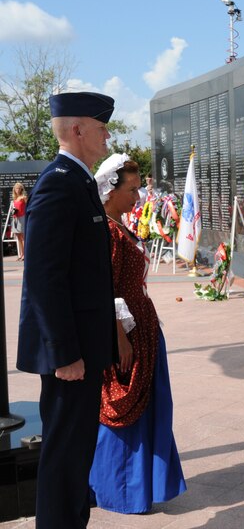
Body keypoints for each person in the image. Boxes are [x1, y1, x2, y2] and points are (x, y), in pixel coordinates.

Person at [16, 91, 118, 528]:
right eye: (101, 127)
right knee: (63, 461)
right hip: (69, 354)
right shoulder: (59, 181)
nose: (107, 135)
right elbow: (44, 276)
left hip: (81, 349)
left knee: (76, 459)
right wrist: (64, 353)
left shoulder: (77, 180)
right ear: (77, 130)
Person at [90, 154, 186, 513]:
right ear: (110, 191)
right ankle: (123, 491)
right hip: (127, 333)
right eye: (131, 190)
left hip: (142, 327)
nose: (137, 197)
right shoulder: (107, 232)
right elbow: (106, 288)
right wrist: (119, 336)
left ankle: (143, 486)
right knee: (127, 410)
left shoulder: (119, 225)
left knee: (150, 408)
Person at [11, 182, 28, 260]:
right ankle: (21, 254)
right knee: (18, 237)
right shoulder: (15, 198)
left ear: (21, 189)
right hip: (15, 218)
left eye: (18, 188)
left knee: (23, 237)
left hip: (22, 218)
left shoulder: (23, 197)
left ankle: (25, 255)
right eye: (16, 188)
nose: (17, 189)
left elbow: (28, 206)